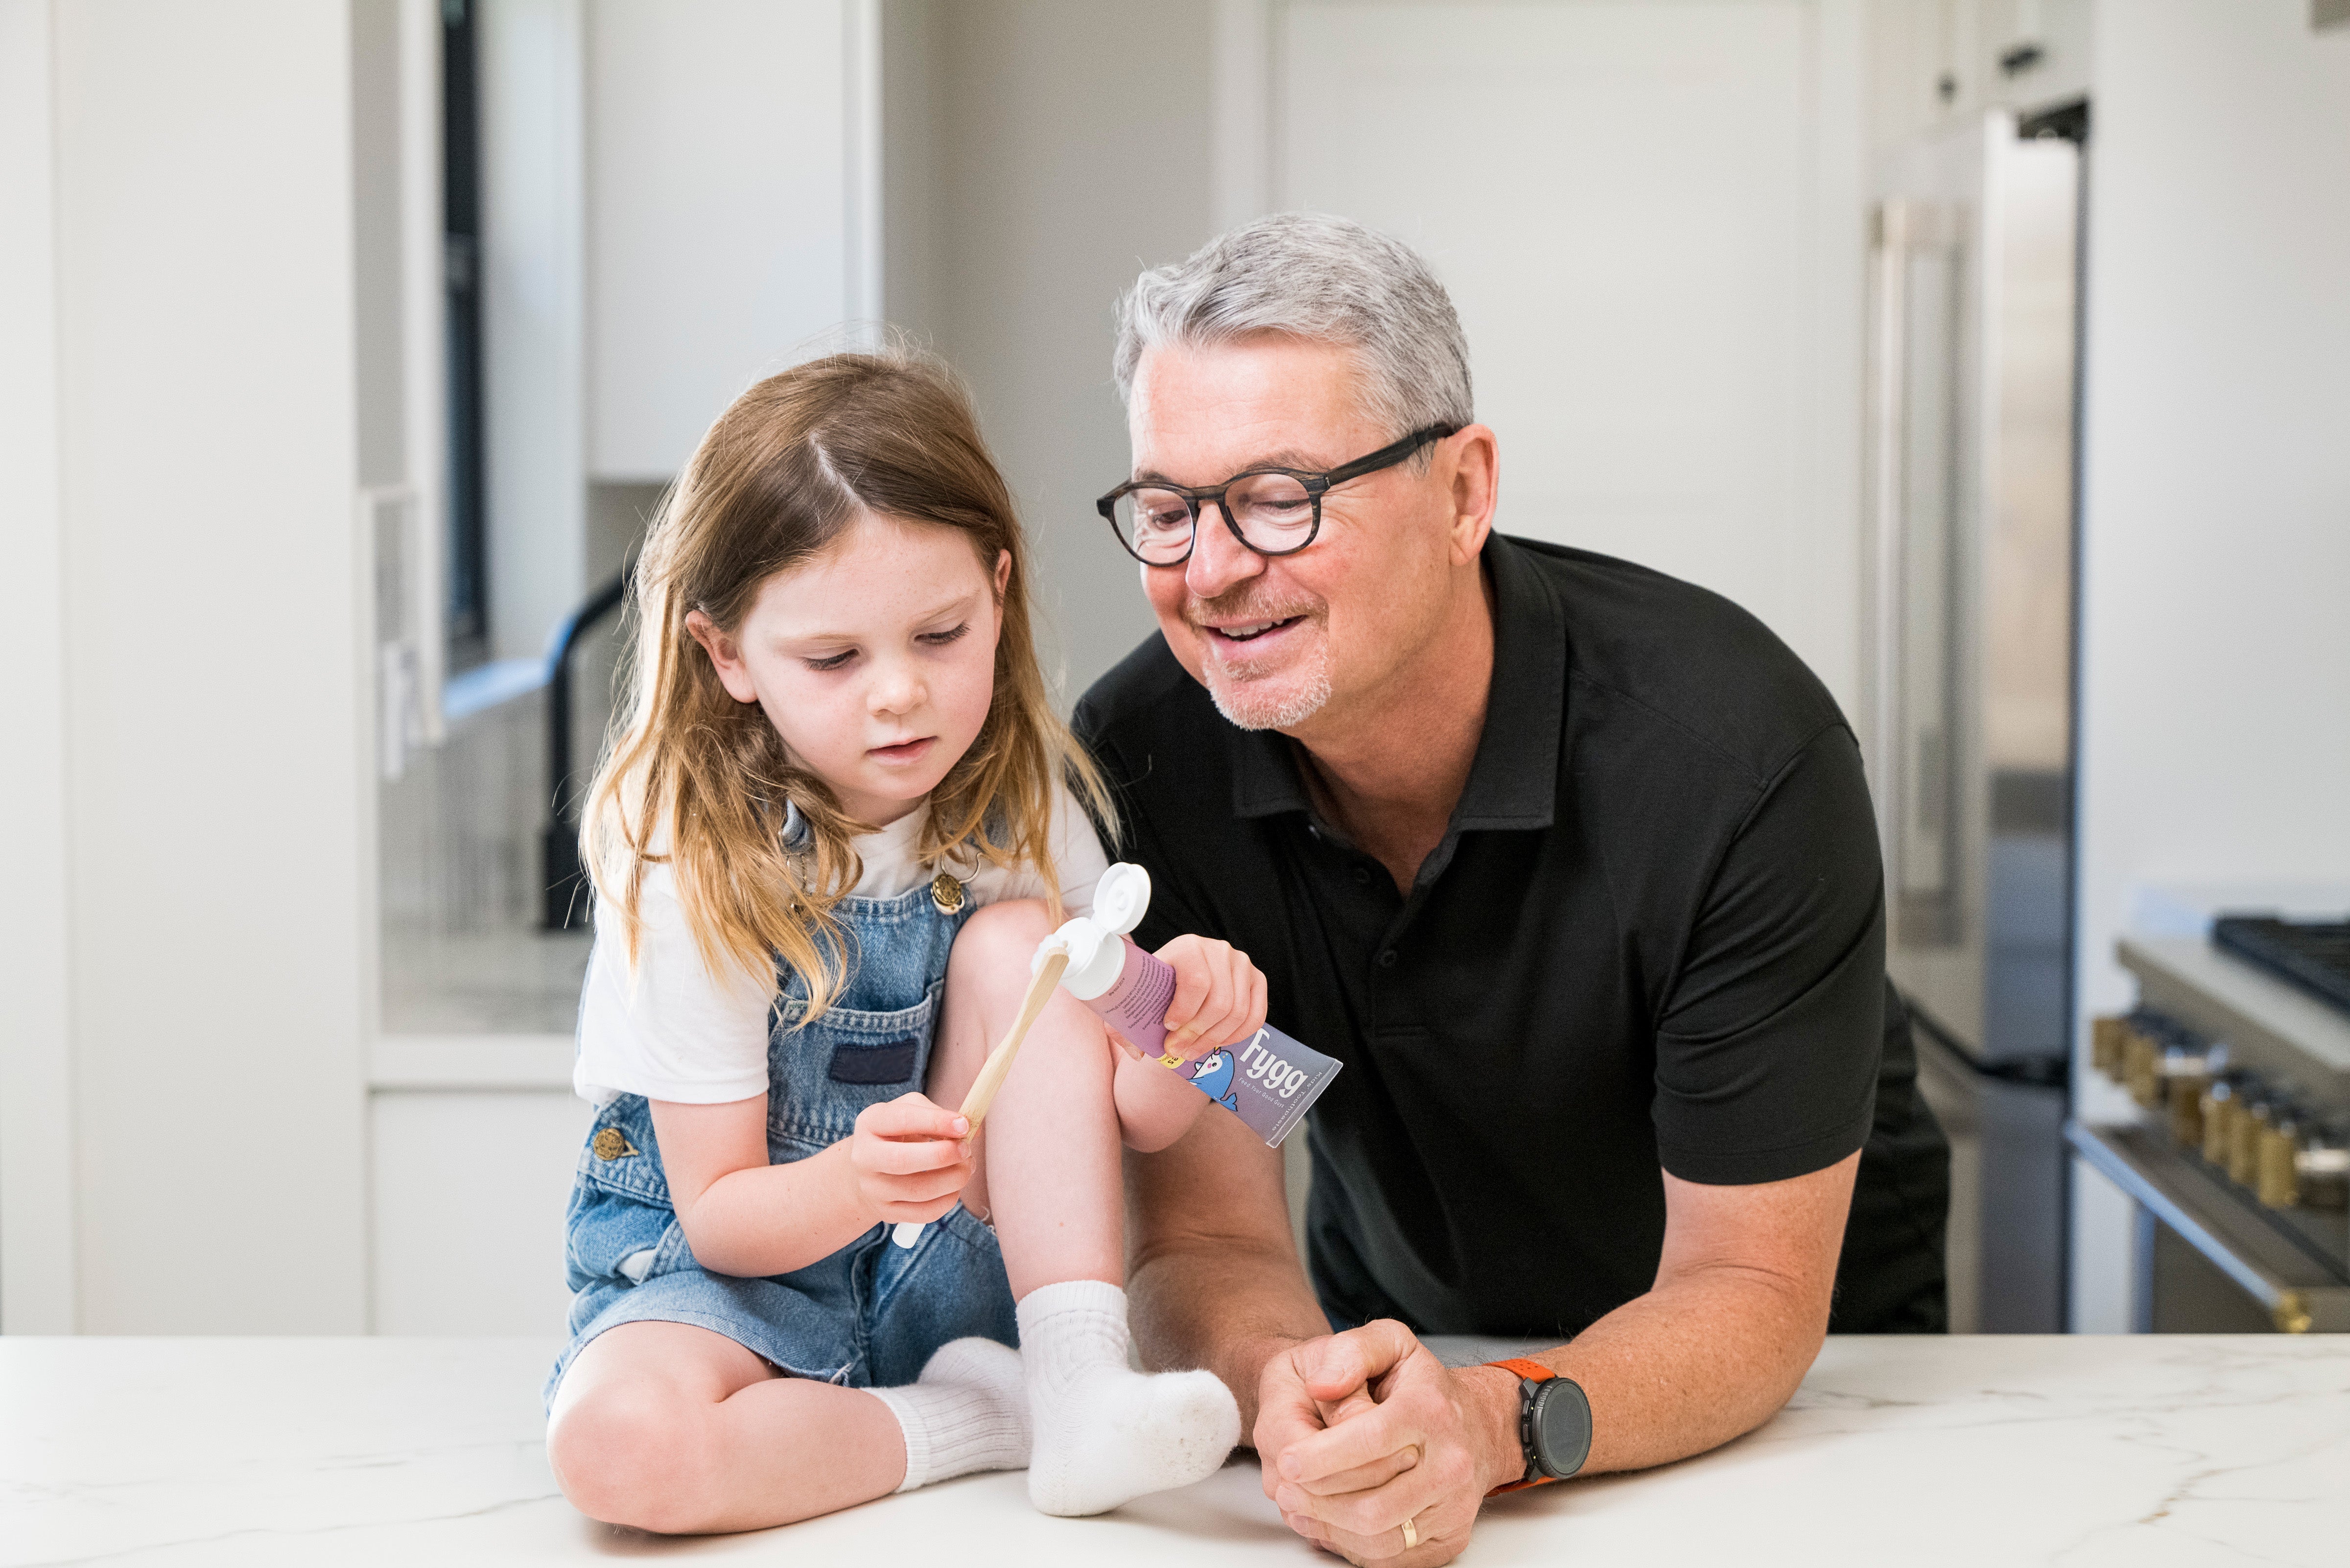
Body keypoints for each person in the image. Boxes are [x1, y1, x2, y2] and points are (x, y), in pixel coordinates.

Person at [1077, 215, 1951, 1566]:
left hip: (1789, 1393)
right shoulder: (1147, 767)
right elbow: (1206, 1219)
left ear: (1464, 491)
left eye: (1277, 497)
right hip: (1413, 1331)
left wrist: (1491, 1424)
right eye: (1171, 508)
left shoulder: (1738, 760)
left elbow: (1751, 1288)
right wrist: (1302, 1396)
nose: (1211, 572)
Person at [541, 351, 1261, 1533]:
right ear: (726, 656)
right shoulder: (694, 858)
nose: (900, 697)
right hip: (733, 1280)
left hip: (958, 1267)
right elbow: (718, 1210)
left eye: (941, 634)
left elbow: (1131, 1114)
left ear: (999, 589)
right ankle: (997, 1420)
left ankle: (1076, 1380)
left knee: (1017, 943)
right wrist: (851, 1182)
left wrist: (1187, 1034)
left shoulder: (1026, 800)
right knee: (619, 1449)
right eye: (835, 660)